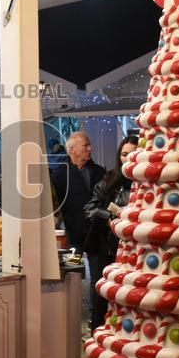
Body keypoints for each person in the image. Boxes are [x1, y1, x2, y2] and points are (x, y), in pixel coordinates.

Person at [82, 134, 138, 330]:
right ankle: (97, 331)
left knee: (124, 293)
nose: (127, 158)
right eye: (124, 154)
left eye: (133, 153)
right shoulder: (110, 178)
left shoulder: (144, 183)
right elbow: (90, 208)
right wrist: (110, 218)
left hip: (130, 248)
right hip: (103, 244)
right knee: (101, 291)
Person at [50, 132, 105, 252]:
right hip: (73, 238)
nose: (90, 149)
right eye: (85, 146)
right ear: (72, 149)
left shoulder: (100, 172)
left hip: (99, 237)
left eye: (89, 145)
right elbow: (56, 207)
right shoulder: (59, 176)